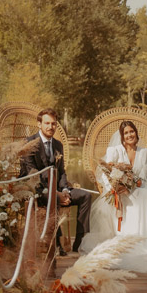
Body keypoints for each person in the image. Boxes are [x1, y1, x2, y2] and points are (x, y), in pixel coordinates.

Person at [79, 120, 147, 274]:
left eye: (132, 132)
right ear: (122, 137)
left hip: (140, 187)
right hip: (120, 191)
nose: (129, 135)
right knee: (144, 195)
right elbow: (105, 175)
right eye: (126, 133)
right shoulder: (115, 152)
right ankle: (131, 241)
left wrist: (134, 182)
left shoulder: (146, 153)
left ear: (136, 133)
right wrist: (116, 188)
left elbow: (146, 179)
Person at [19, 108, 91, 257]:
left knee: (86, 196)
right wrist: (56, 194)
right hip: (36, 190)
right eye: (47, 123)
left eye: (53, 124)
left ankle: (79, 242)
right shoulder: (28, 144)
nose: (50, 127)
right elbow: (33, 176)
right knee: (52, 198)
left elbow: (62, 171)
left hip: (58, 189)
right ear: (39, 124)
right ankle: (56, 243)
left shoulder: (58, 145)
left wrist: (64, 190)